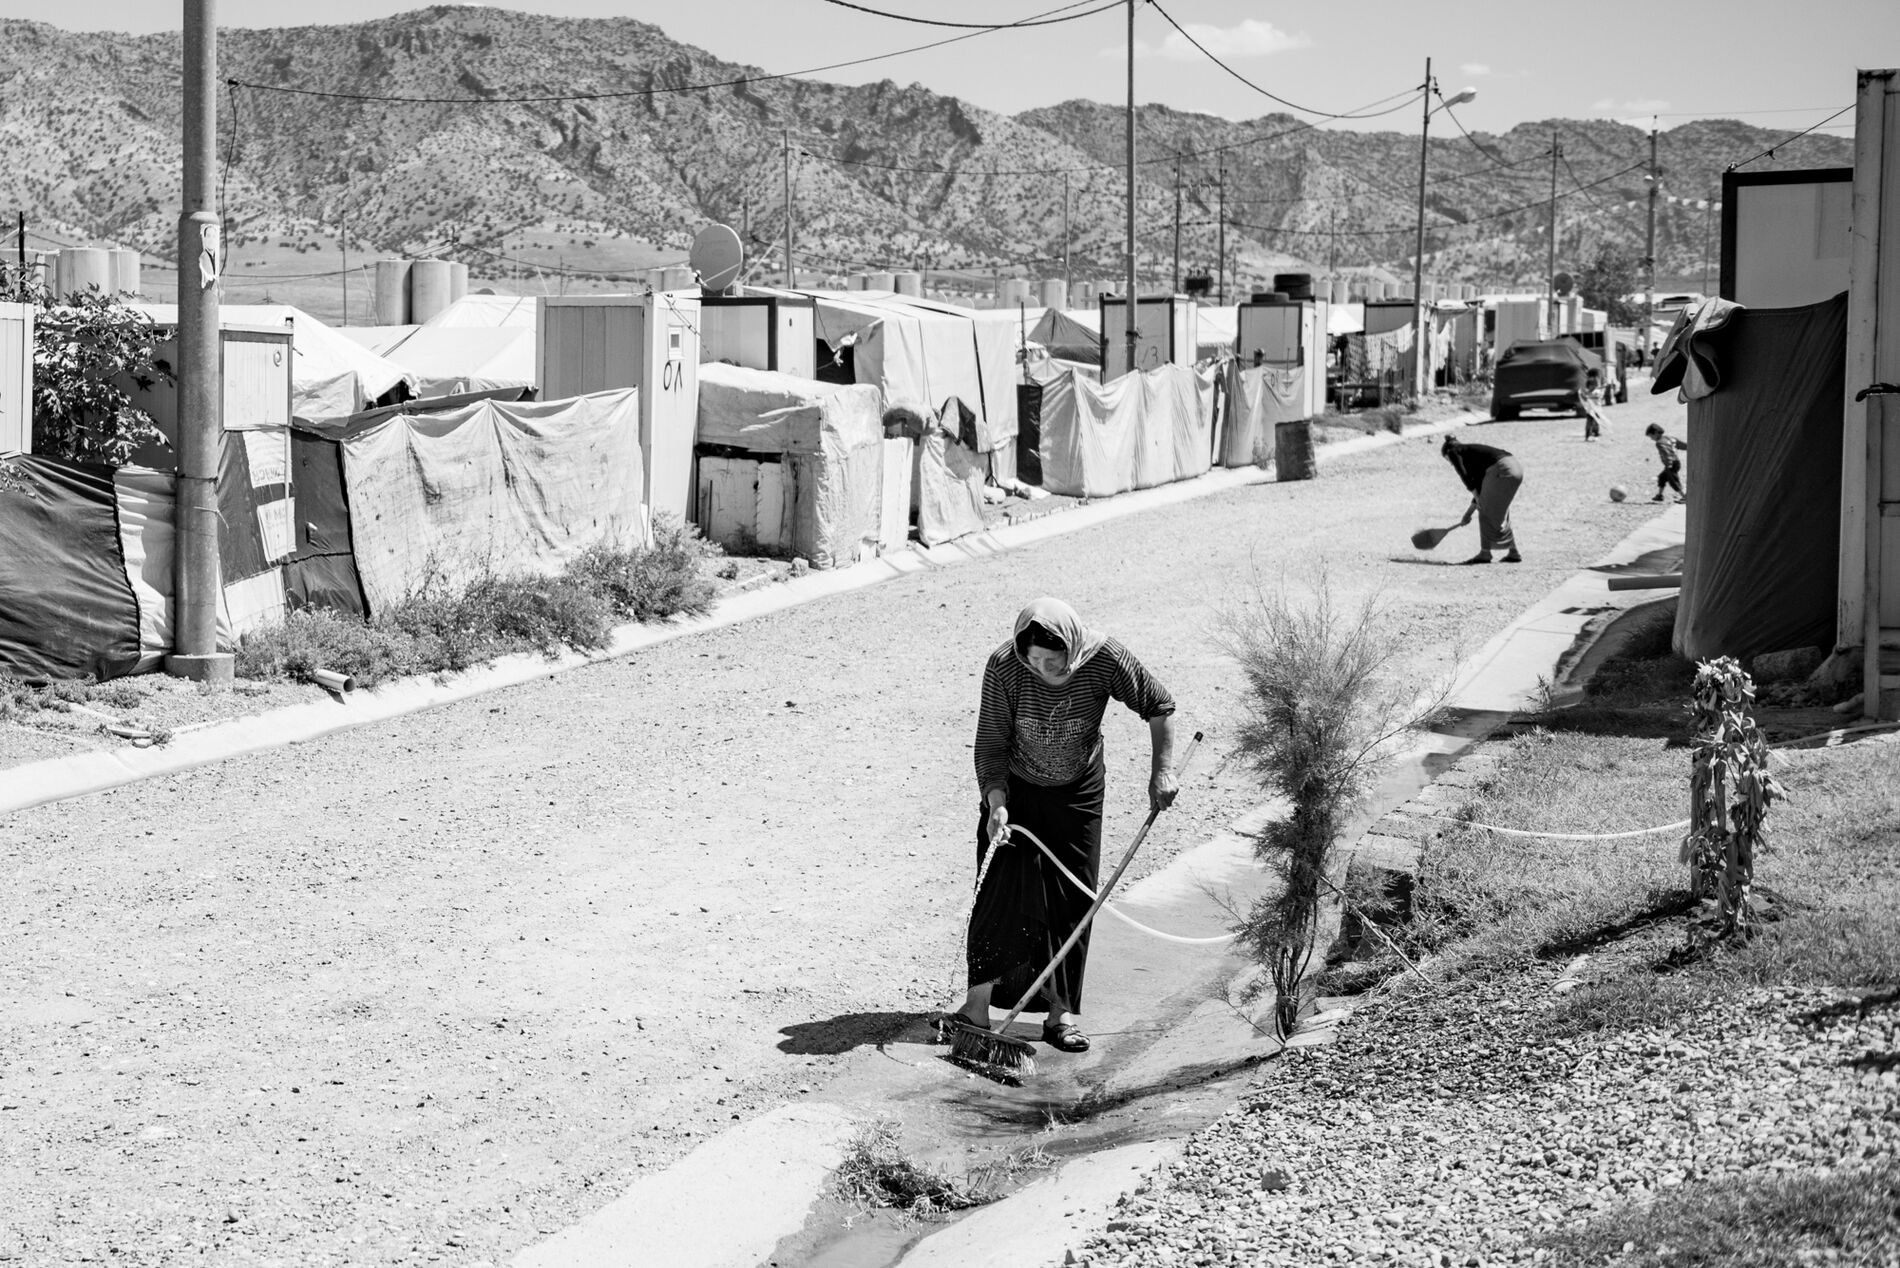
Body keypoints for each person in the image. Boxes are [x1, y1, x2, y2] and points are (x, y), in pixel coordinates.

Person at [942, 597, 1178, 1054]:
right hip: (1016, 786)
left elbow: (1159, 705)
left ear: (1072, 646)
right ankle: (976, 1008)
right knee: (997, 888)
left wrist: (1162, 771)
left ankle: (1060, 1014)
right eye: (1034, 660)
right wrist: (995, 803)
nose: (1043, 669)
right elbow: (990, 739)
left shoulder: (1104, 658)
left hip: (1078, 791)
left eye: (1053, 660)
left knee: (1073, 900)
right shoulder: (1005, 665)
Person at [1442, 435, 1524, 564]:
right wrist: (1468, 513)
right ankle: (1513, 552)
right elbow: (1481, 490)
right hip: (1515, 468)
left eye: (1448, 461)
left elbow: (1463, 475)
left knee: (1485, 510)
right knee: (1501, 511)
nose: (1451, 463)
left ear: (1447, 453)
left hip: (1502, 468)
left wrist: (1474, 494)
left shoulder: (1453, 451)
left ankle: (1485, 553)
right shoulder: (1474, 456)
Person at [1646, 422, 1688, 502]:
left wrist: (1669, 464)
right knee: (1662, 477)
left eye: (1651, 436)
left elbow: (1666, 453)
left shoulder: (1659, 443)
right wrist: (1689, 447)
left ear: (1655, 433)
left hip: (1671, 464)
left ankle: (1685, 497)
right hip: (1676, 462)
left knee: (1673, 481)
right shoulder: (1669, 438)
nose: (1651, 438)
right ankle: (1660, 495)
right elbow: (1680, 444)